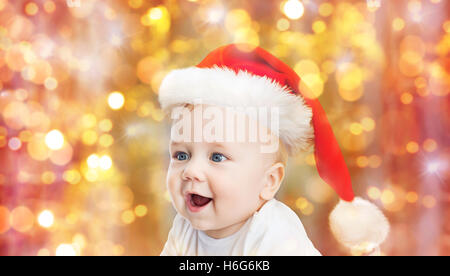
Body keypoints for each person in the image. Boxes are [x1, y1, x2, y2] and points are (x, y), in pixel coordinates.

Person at [158, 44, 389, 256]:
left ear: (268, 182)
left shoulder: (274, 232)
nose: (191, 170)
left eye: (217, 157)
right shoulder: (184, 228)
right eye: (181, 155)